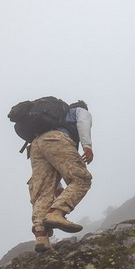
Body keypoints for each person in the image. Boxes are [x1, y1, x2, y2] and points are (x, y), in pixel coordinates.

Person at [27, 100, 93, 253]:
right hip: (57, 139)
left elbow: (54, 167)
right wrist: (87, 146)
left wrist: (59, 187)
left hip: (36, 145)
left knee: (42, 192)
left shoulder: (54, 120)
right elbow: (83, 122)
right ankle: (56, 213)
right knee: (82, 179)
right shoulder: (79, 111)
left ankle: (41, 237)